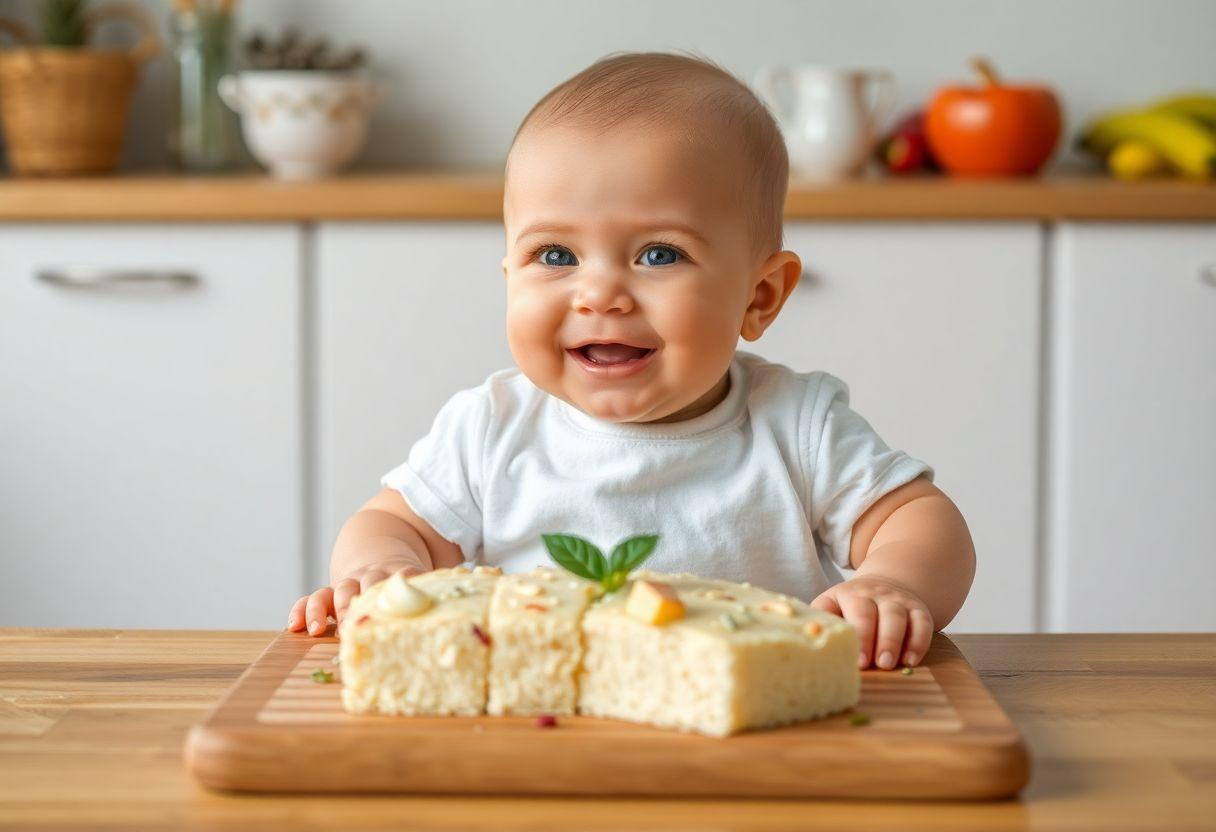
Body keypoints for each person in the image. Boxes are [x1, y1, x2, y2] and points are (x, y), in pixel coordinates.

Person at [288, 51, 975, 671]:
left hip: (746, 733)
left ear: (759, 297)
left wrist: (894, 583)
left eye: (659, 255)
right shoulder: (491, 428)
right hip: (546, 726)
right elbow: (395, 524)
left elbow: (919, 521)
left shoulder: (795, 426)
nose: (599, 294)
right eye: (555, 256)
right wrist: (380, 567)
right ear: (508, 275)